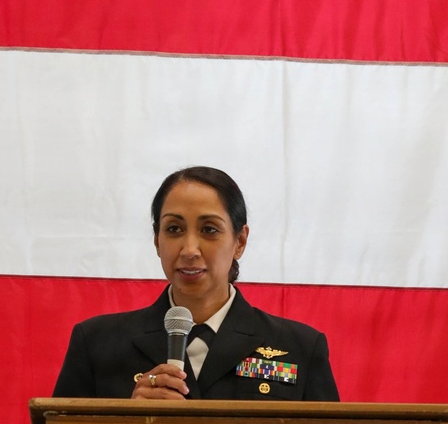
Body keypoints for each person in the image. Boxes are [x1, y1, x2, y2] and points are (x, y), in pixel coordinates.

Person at [52, 166, 340, 402]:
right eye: (174, 229)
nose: (189, 249)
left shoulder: (300, 348)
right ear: (157, 240)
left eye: (209, 230)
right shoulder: (97, 344)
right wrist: (128, 422)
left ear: (240, 241)